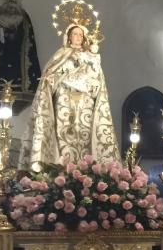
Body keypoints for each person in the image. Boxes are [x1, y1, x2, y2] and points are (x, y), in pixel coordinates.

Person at [27, 21, 119, 168]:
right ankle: (62, 167)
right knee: (65, 132)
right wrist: (51, 79)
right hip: (65, 99)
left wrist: (93, 58)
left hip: (85, 101)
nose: (78, 37)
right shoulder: (61, 54)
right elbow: (52, 74)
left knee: (84, 133)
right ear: (69, 37)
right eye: (75, 34)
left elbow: (96, 78)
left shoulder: (90, 56)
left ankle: (85, 169)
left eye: (81, 34)